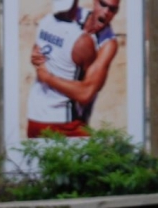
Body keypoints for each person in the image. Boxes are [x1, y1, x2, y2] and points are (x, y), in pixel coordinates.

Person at [25, 0, 119, 138]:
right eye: (103, 4)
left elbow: (86, 93)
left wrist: (47, 77)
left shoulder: (108, 43)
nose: (106, 12)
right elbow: (41, 46)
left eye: (112, 9)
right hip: (62, 122)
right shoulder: (68, 17)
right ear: (95, 2)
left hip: (39, 117)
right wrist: (36, 58)